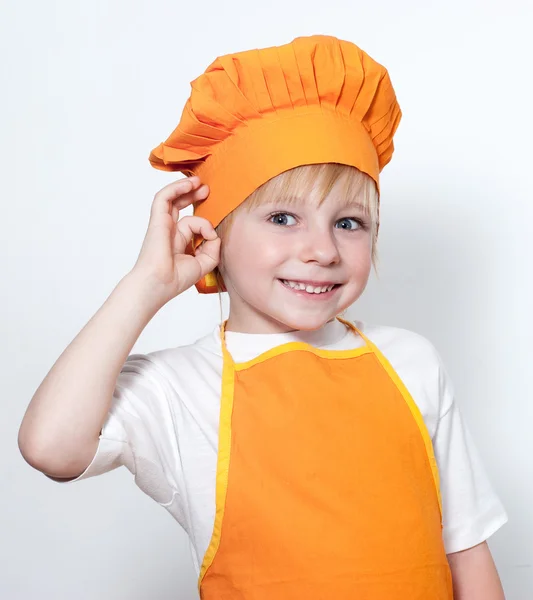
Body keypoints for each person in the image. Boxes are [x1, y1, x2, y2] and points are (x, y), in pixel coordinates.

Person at [18, 35, 508, 599]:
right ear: (214, 231)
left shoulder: (412, 362)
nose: (322, 249)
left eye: (349, 223)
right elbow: (50, 447)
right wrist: (146, 286)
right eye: (282, 217)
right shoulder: (178, 388)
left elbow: (467, 552)